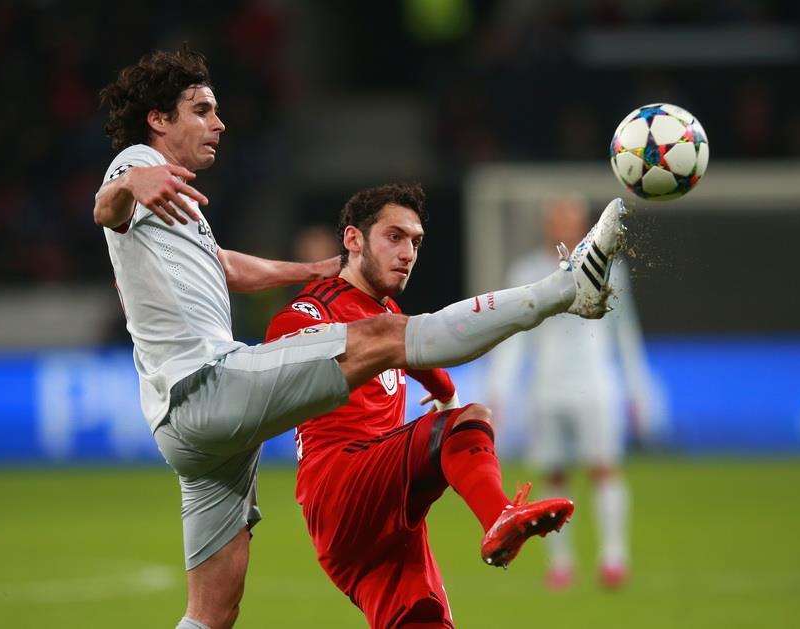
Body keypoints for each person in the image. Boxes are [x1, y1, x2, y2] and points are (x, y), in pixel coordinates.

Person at [93, 46, 627, 629]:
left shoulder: (178, 205)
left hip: (196, 434)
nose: (218, 123)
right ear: (158, 118)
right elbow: (106, 209)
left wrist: (312, 269)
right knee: (386, 334)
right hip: (206, 387)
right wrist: (130, 182)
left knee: (213, 612)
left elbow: (222, 266)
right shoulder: (139, 165)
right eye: (201, 110)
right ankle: (565, 289)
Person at [264, 183, 559, 627]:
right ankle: (500, 516)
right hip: (341, 484)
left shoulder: (388, 317)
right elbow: (282, 339)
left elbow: (422, 355)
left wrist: (445, 394)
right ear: (353, 240)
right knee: (469, 420)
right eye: (394, 237)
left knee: (423, 621)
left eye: (415, 242)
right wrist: (452, 411)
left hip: (383, 518)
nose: (407, 253)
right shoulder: (315, 308)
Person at [486, 193, 660, 590]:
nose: (562, 227)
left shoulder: (608, 269)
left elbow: (625, 333)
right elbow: (514, 337)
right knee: (554, 475)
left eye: (570, 220)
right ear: (547, 225)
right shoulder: (527, 270)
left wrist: (638, 389)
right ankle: (561, 564)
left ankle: (613, 557)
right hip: (546, 389)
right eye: (556, 220)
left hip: (595, 386)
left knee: (603, 468)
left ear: (584, 225)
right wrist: (499, 389)